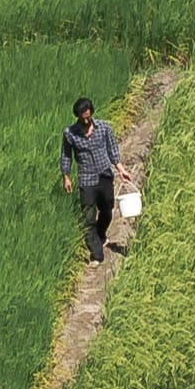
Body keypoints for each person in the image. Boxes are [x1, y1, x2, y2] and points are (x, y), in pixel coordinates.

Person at [60, 95, 132, 263]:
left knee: (107, 210)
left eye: (88, 117)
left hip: (104, 175)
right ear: (77, 116)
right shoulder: (70, 133)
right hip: (86, 179)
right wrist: (66, 177)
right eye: (82, 118)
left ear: (91, 112)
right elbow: (66, 156)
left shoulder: (104, 128)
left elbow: (113, 149)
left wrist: (121, 170)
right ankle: (97, 254)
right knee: (88, 217)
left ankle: (100, 234)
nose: (86, 121)